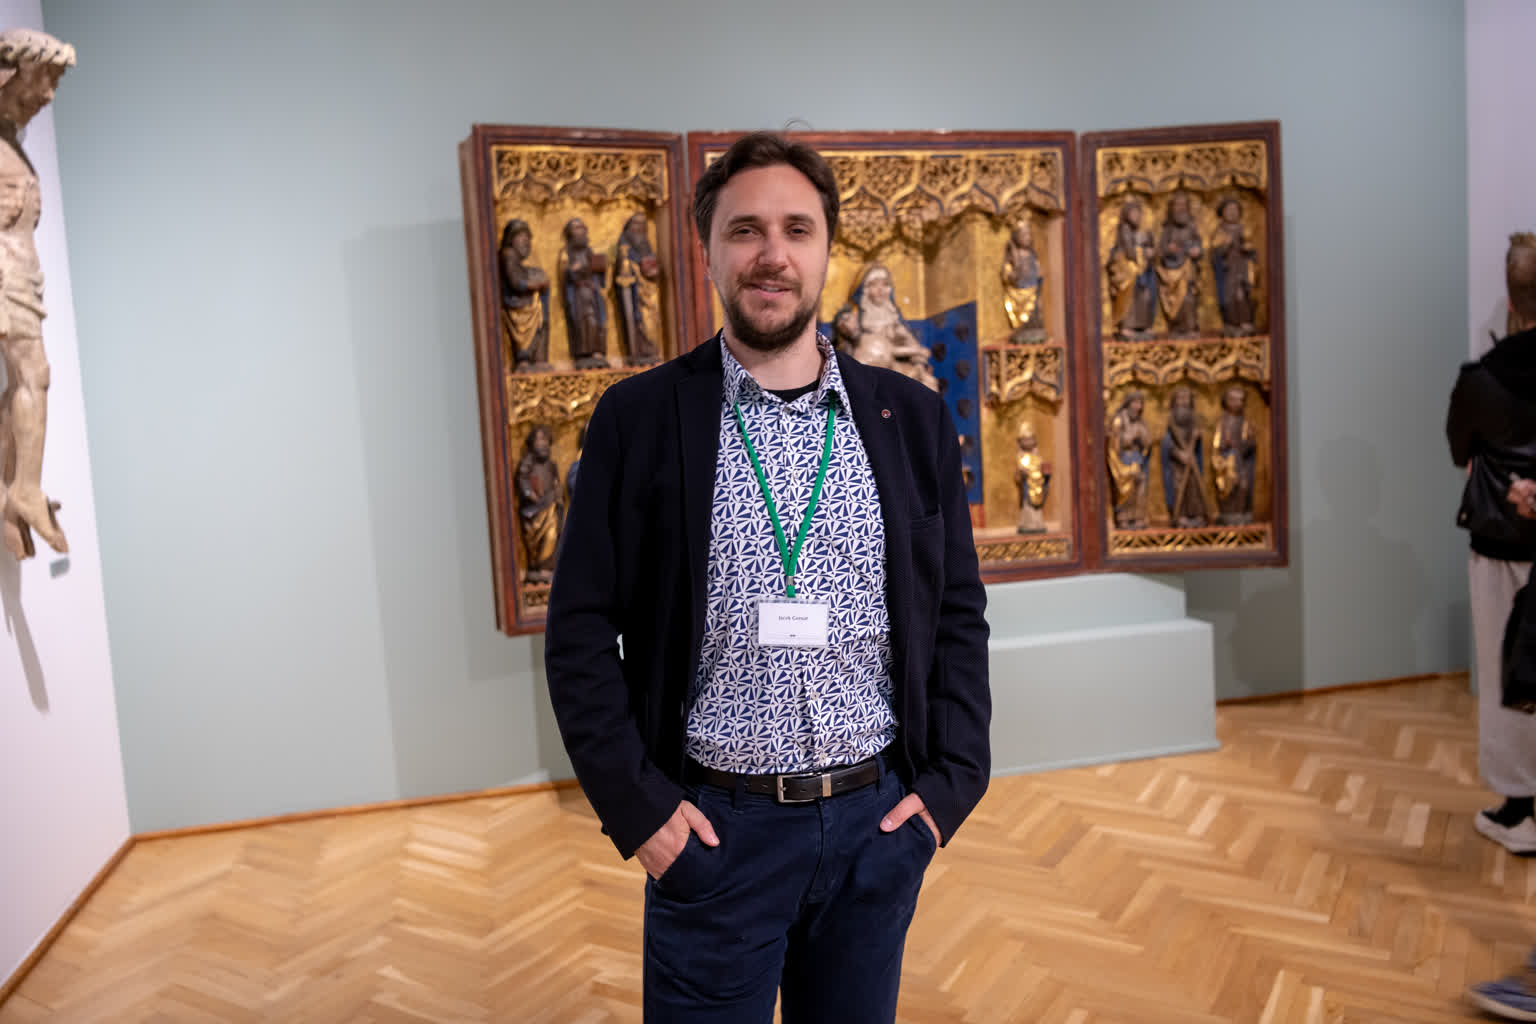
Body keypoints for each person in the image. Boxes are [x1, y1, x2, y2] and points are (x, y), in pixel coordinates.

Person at [543, 131, 991, 1023]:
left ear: (828, 249)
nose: (772, 254)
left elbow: (956, 616)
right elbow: (580, 631)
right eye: (745, 230)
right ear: (707, 250)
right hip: (715, 835)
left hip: (874, 830)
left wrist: (947, 791)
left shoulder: (911, 419)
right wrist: (642, 813)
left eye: (796, 229)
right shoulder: (638, 420)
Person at [1447, 231, 1536, 858]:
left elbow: (1460, 450)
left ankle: (1520, 810)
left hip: (1502, 541)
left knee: (1507, 669)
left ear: (1509, 301)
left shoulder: (1479, 380)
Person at [0, 28, 74, 560]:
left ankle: (13, 498)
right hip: (5, 276)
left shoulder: (12, 146)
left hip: (23, 276)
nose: (46, 95)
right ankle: (26, 488)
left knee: (23, 379)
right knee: (35, 375)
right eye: (41, 79)